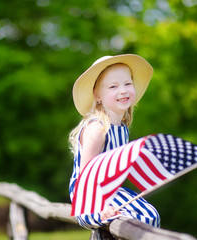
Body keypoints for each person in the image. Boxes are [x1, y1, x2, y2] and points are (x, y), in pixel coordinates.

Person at [68, 54, 161, 230]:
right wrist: (101, 207)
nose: (123, 91)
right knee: (144, 218)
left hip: (110, 191)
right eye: (113, 86)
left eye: (127, 84)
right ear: (97, 96)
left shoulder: (122, 127)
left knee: (150, 214)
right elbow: (85, 178)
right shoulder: (98, 129)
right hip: (88, 197)